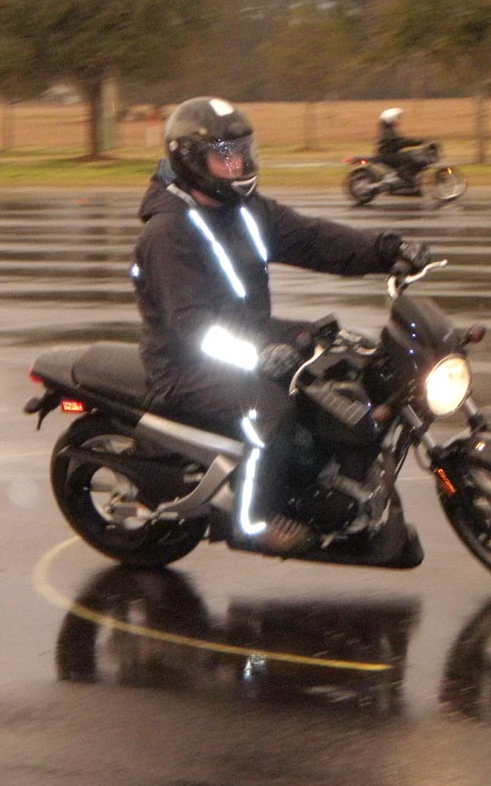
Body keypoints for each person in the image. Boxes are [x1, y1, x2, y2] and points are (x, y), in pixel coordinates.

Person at [131, 96, 432, 556]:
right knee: (269, 412)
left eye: (242, 153)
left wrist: (387, 249)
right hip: (187, 363)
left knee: (346, 357)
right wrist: (257, 355)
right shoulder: (167, 234)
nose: (237, 165)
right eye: (224, 157)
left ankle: (335, 481)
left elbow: (314, 239)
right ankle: (254, 519)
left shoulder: (244, 210)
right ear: (191, 161)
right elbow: (192, 328)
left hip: (250, 333)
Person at [375, 107, 429, 190]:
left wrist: (418, 142)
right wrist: (419, 142)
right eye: (395, 119)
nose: (397, 121)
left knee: (412, 155)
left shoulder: (389, 129)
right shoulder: (388, 132)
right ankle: (405, 179)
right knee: (410, 158)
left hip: (391, 154)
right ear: (390, 120)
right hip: (387, 155)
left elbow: (400, 141)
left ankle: (410, 180)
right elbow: (401, 142)